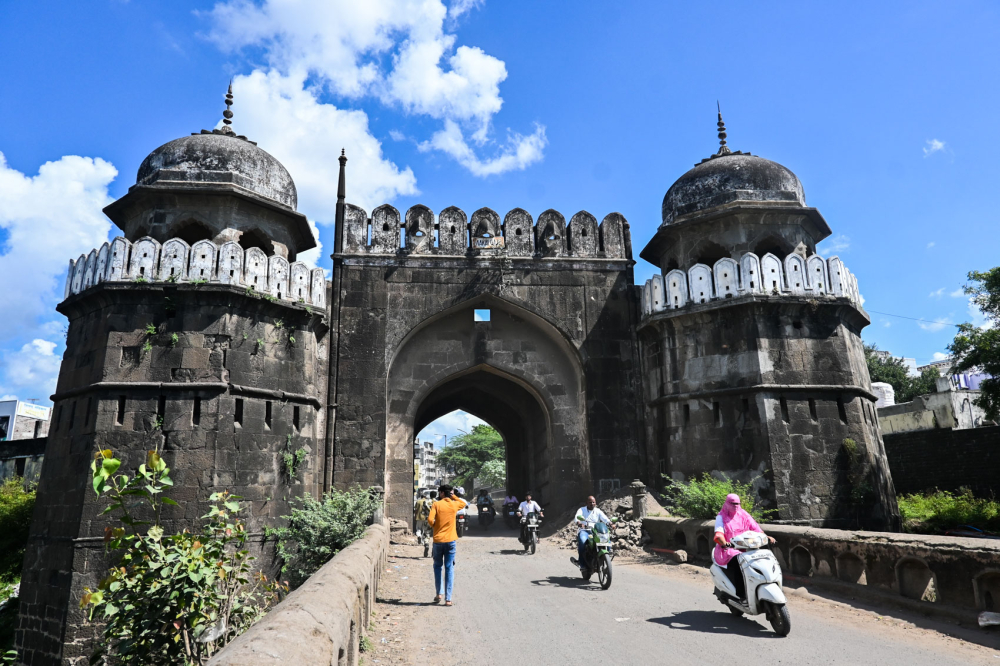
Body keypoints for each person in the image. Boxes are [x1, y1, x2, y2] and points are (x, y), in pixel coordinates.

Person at [712, 493, 775, 601]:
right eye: (733, 504)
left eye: (737, 504)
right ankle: (742, 595)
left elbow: (755, 527)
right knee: (739, 562)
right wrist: (724, 543)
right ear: (727, 503)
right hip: (730, 549)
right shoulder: (721, 517)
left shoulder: (744, 514)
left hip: (748, 546)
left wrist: (765, 536)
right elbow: (719, 534)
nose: (735, 506)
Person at [427, 484, 463, 606]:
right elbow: (463, 504)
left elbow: (430, 520)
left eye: (440, 492)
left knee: (437, 566)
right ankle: (448, 599)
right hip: (451, 541)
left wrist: (436, 527)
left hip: (438, 540)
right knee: (449, 568)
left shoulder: (436, 504)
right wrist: (454, 497)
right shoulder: (454, 504)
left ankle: (439, 593)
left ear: (442, 493)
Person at [570, 495, 611, 571]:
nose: (592, 504)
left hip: (596, 531)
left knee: (607, 540)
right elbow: (577, 517)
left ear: (595, 503)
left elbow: (605, 519)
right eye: (590, 502)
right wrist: (579, 523)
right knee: (582, 541)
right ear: (586, 503)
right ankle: (581, 563)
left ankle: (606, 557)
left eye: (593, 502)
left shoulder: (598, 511)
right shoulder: (582, 510)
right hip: (585, 531)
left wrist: (610, 523)